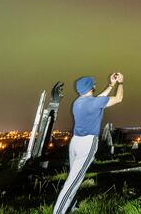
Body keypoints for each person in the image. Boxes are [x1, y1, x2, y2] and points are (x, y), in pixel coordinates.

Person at [52, 71, 124, 214]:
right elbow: (119, 98)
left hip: (75, 143)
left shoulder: (78, 102)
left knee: (74, 177)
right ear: (91, 87)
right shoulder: (94, 102)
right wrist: (120, 83)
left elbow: (98, 99)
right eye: (94, 84)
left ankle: (71, 207)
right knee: (72, 183)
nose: (95, 85)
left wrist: (111, 84)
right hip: (87, 144)